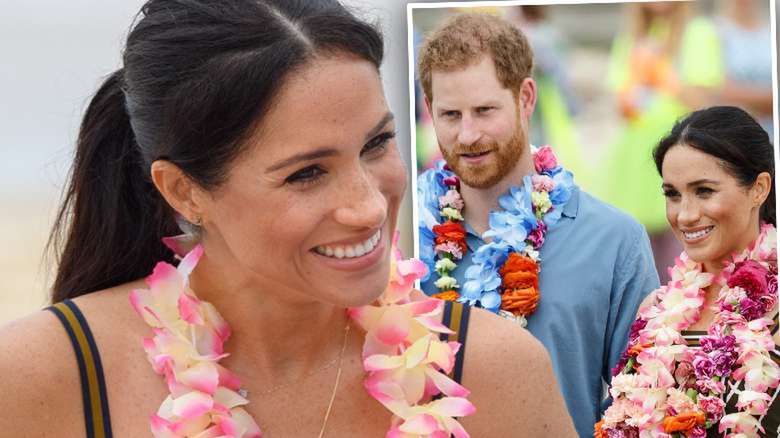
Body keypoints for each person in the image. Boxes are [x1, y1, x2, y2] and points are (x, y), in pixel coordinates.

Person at [0, 1, 575, 437]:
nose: (370, 207)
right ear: (184, 191)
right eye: (307, 173)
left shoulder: (496, 371)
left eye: (377, 143)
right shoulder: (40, 379)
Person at [415, 13, 659, 437]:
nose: (467, 135)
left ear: (526, 98)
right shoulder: (406, 235)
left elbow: (643, 408)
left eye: (484, 110)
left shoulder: (614, 241)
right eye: (450, 114)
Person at [600, 106, 779, 437]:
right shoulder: (655, 310)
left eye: (704, 191)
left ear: (759, 188)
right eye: (673, 194)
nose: (685, 215)